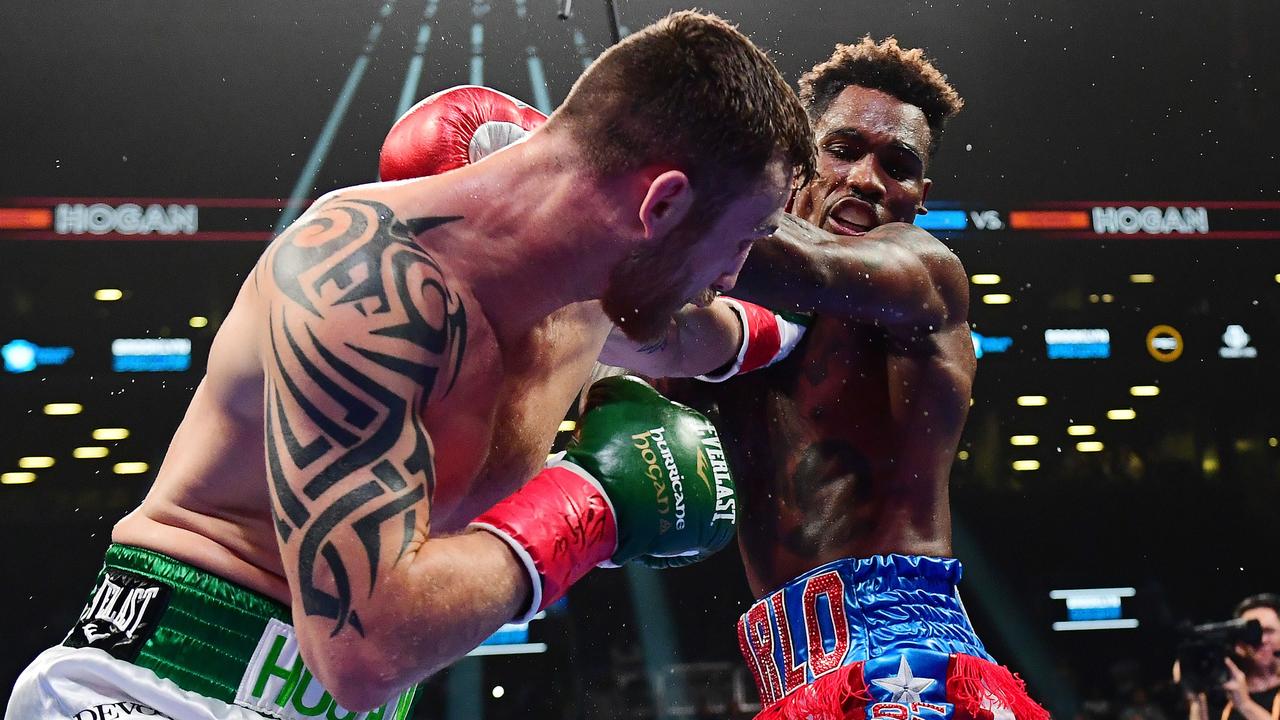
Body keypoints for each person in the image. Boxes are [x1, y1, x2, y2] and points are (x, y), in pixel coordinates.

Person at [6, 12, 815, 720]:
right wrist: (594, 500)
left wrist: (826, 332)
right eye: (740, 242)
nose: (730, 276)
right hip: (159, 686)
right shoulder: (363, 280)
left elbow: (719, 333)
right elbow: (368, 652)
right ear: (661, 205)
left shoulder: (595, 291)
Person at [602, 37, 1049, 719]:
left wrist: (669, 195)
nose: (869, 179)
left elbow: (811, 266)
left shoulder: (921, 278)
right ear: (798, 160)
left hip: (908, 666)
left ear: (921, 195)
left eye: (897, 165)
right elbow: (632, 358)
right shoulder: (735, 312)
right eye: (844, 149)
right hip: (792, 675)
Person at [1182, 594, 1280, 720]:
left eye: (1268, 631)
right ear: (1239, 643)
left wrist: (1245, 704)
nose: (1261, 639)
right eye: (1251, 633)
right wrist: (1196, 697)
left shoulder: (1239, 699)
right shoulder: (1220, 693)